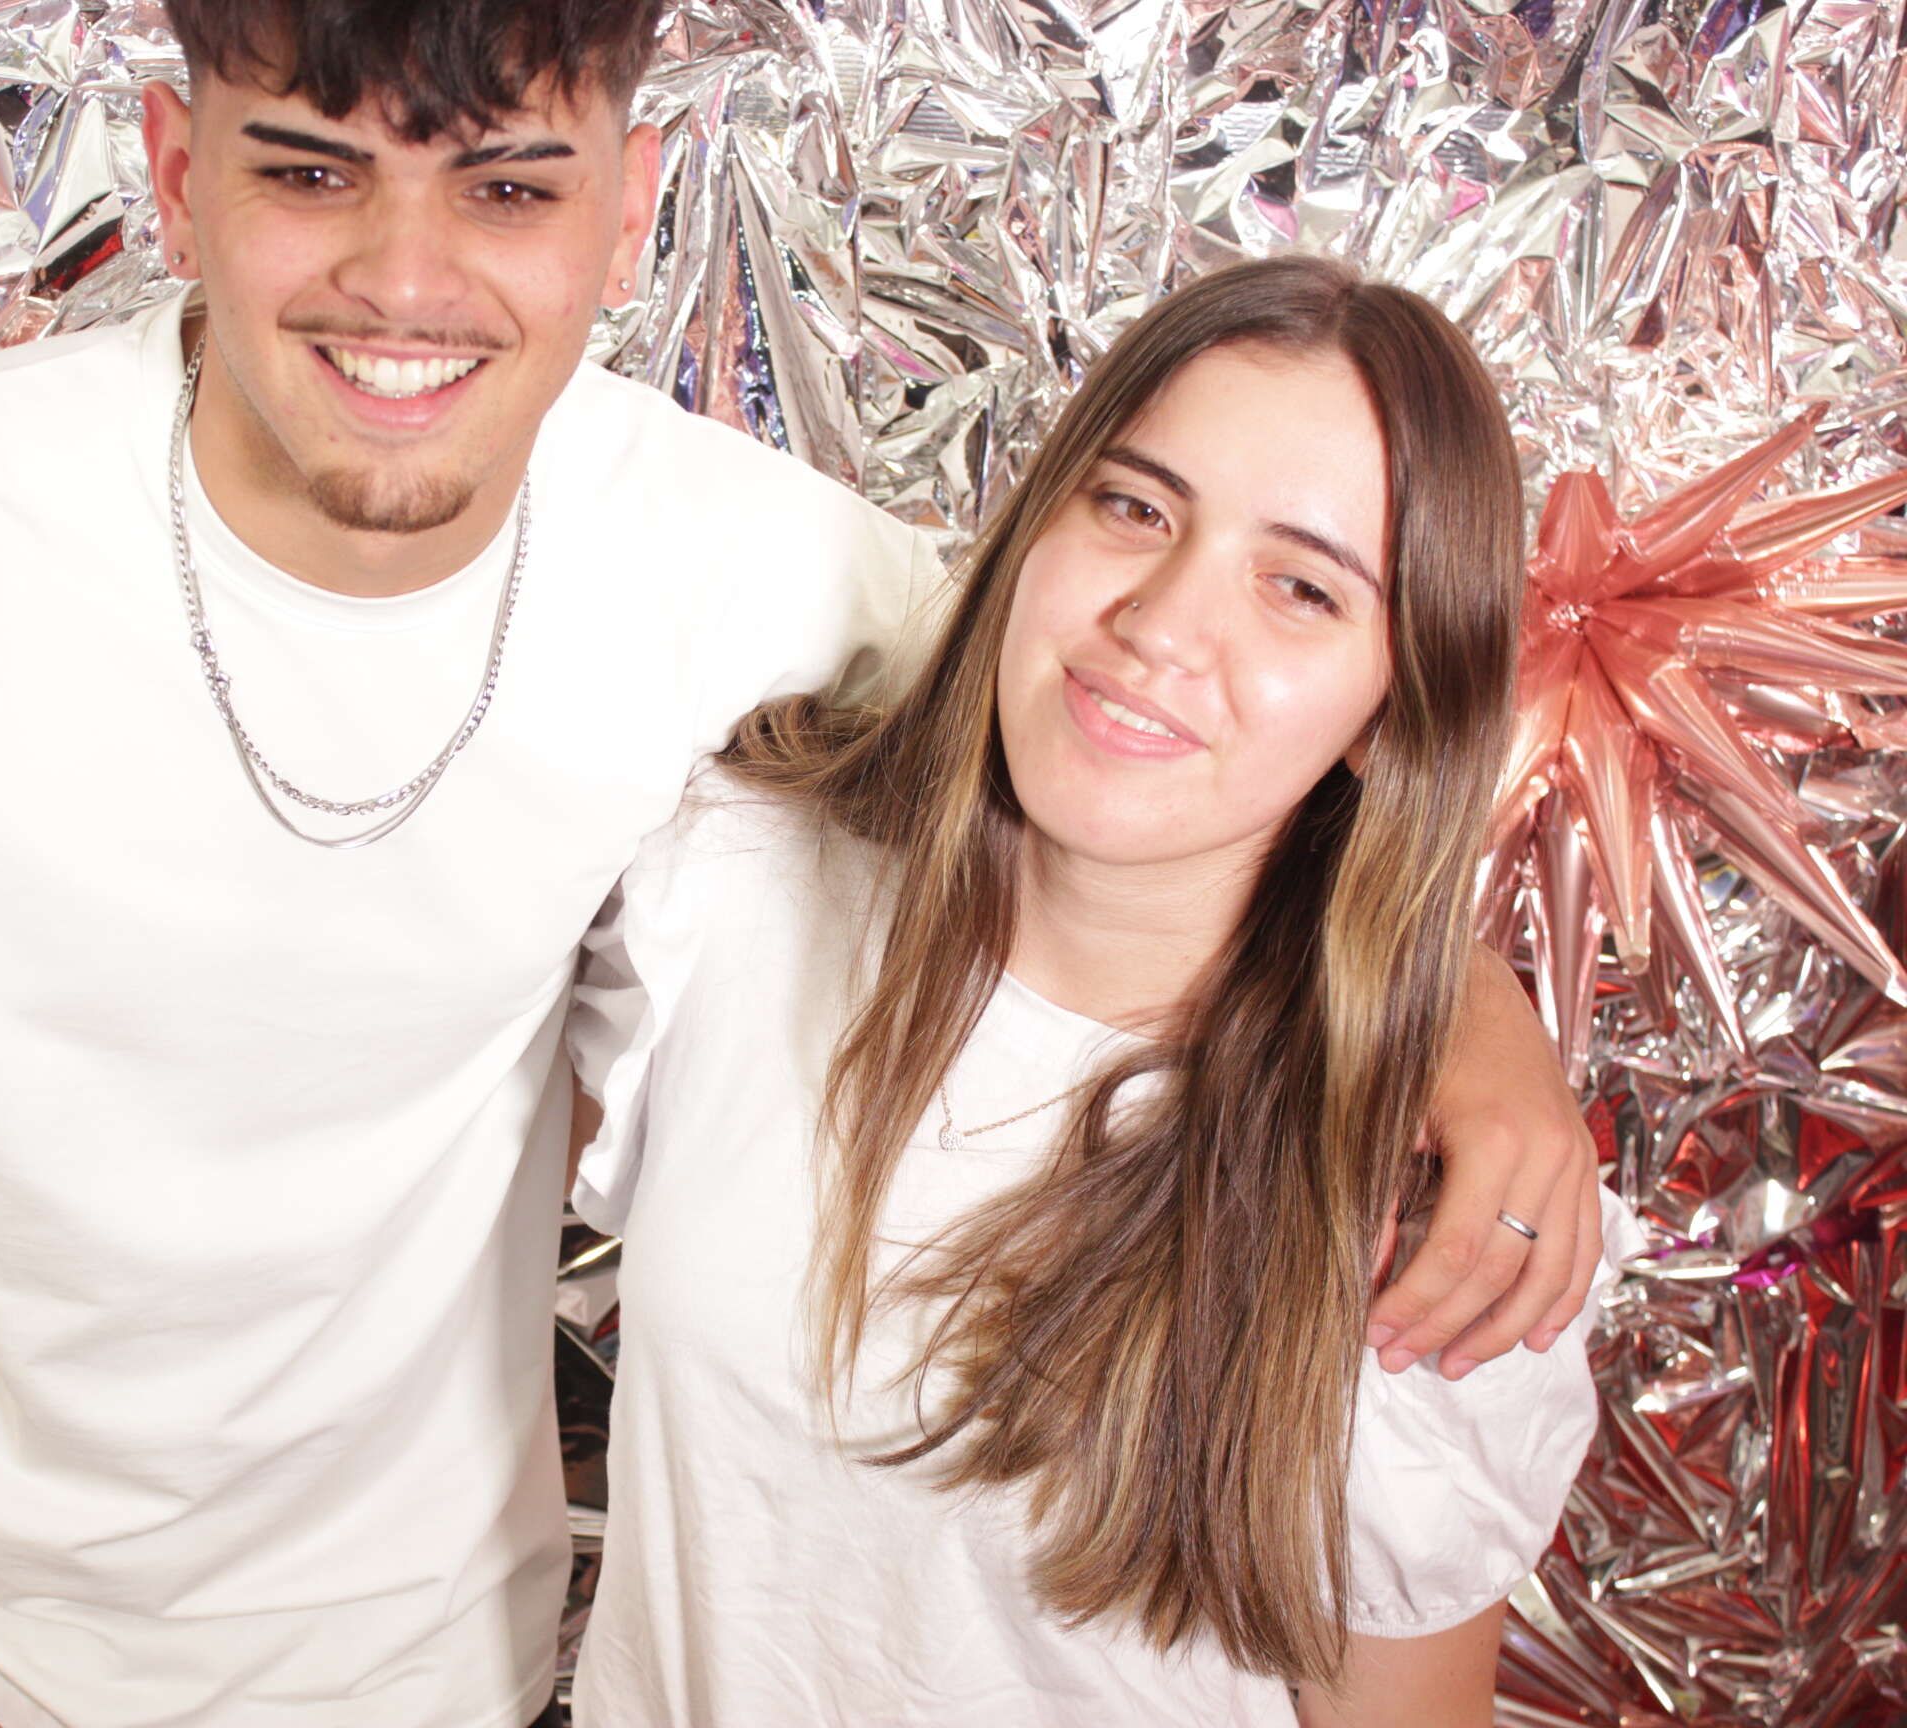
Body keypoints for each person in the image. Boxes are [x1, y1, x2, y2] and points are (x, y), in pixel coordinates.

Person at [0, 5, 1599, 1725]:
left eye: (509, 187)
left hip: (427, 1669)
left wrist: (1461, 1037)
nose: (404, 278)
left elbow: (1181, 750)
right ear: (172, 170)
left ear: (628, 213)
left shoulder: (762, 571)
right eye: (308, 169)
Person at [566, 256, 1633, 1726]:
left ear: (1391, 715)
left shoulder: (1426, 1219)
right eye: (1135, 507)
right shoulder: (733, 881)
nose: (1163, 624)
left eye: (1301, 587)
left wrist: (1451, 1015)